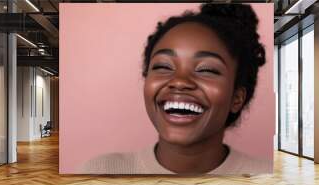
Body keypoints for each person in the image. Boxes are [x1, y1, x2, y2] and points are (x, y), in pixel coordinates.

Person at [80, 3, 270, 175]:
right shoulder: (99, 171)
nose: (179, 82)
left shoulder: (267, 179)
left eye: (206, 69)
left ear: (236, 98)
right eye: (163, 66)